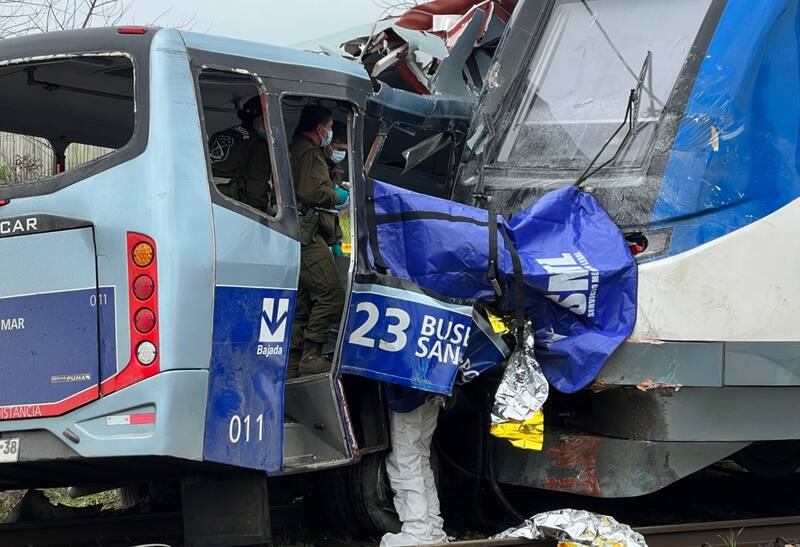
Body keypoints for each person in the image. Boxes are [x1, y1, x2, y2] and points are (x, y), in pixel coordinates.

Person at [287, 105, 350, 378]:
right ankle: (312, 355)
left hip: (297, 232)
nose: (331, 133)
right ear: (320, 128)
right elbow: (312, 191)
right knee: (331, 293)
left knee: (303, 301)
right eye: (331, 127)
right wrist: (339, 196)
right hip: (306, 234)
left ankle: (293, 361)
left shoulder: (296, 148)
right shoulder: (310, 153)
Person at [381, 385, 448, 546]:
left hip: (408, 391)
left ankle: (417, 529)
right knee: (421, 457)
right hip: (434, 388)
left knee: (405, 458)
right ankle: (434, 528)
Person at [207, 95, 274, 214]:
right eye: (269, 120)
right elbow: (256, 188)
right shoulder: (258, 144)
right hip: (236, 210)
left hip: (210, 203)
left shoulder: (220, 135)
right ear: (259, 121)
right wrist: (261, 216)